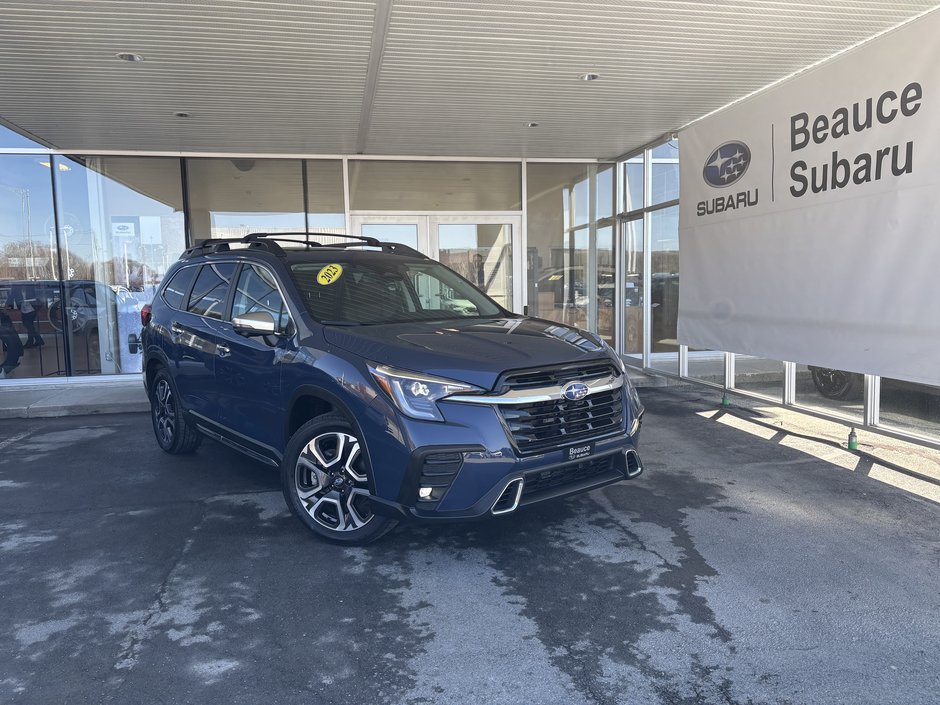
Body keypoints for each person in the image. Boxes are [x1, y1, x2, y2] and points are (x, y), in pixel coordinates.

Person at [6, 281, 43, 348]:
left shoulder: (30, 288)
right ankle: (35, 341)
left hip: (32, 308)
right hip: (23, 309)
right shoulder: (15, 289)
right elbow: (11, 297)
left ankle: (35, 341)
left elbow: (37, 295)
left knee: (28, 325)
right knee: (29, 326)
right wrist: (7, 306)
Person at [0, 309, 23, 378]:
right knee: (14, 345)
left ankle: (7, 367)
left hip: (5, 325)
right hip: (4, 327)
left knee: (15, 345)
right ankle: (7, 367)